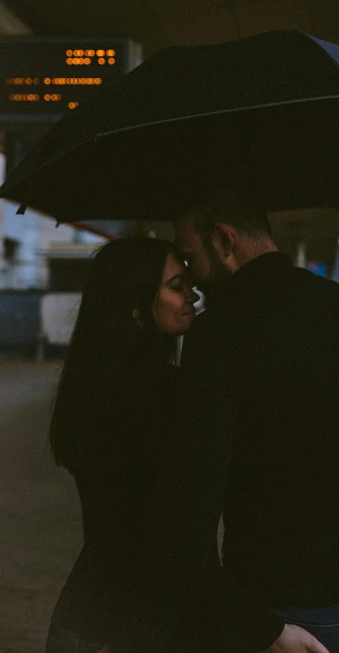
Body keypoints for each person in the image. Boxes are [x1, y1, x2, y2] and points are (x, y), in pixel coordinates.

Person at [104, 189, 339, 653]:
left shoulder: (218, 336)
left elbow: (191, 507)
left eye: (188, 257)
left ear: (223, 241)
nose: (193, 281)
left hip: (280, 617)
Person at [45, 237, 201, 653]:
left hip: (85, 614)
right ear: (135, 307)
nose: (192, 295)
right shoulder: (159, 395)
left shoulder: (94, 387)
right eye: (177, 285)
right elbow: (160, 534)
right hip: (126, 628)